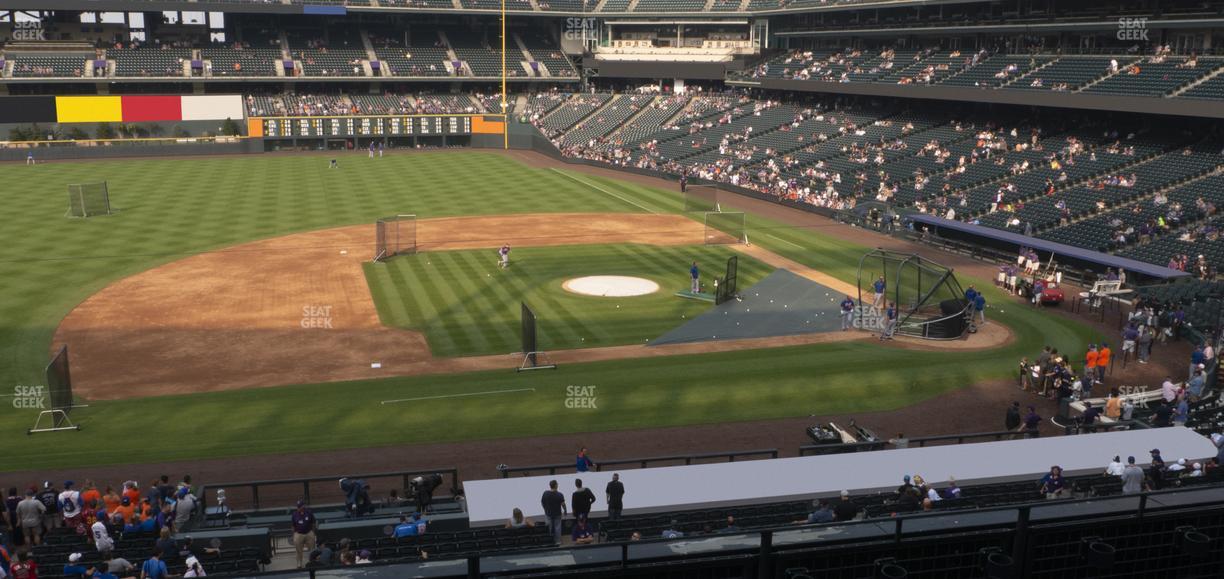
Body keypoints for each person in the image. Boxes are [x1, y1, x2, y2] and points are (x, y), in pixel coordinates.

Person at [291, 500, 317, 568]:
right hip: (299, 533)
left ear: (303, 506)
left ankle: (312, 561)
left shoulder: (309, 512)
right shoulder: (294, 514)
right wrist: (294, 534)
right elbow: (293, 526)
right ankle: (299, 563)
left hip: (308, 532)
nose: (298, 508)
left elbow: (313, 523)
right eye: (298, 507)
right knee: (298, 550)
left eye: (300, 506)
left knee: (312, 549)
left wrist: (313, 532)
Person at [540, 480, 566, 545]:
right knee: (558, 528)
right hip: (557, 514)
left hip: (548, 514)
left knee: (549, 528)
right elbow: (563, 504)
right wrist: (565, 510)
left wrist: (545, 509)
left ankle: (549, 541)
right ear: (556, 485)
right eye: (557, 484)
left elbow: (542, 502)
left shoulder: (545, 493)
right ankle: (558, 541)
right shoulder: (560, 494)